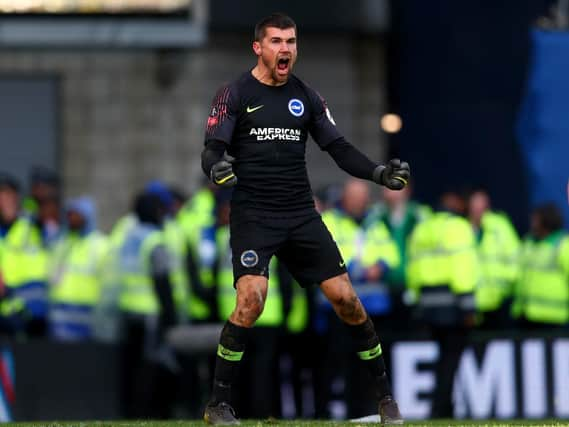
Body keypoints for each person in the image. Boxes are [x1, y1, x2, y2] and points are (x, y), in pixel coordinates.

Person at [200, 13, 409, 425]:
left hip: (300, 213)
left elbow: (339, 147)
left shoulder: (307, 97)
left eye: (291, 42)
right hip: (255, 215)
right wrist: (217, 168)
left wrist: (378, 173)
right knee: (251, 302)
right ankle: (218, 405)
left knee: (347, 301)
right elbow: (211, 150)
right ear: (258, 47)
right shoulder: (235, 93)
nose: (286, 49)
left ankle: (385, 400)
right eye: (276, 41)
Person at [406, 191, 479, 418]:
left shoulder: (422, 229)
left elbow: (413, 271)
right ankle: (442, 410)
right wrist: (468, 307)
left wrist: (418, 303)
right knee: (450, 360)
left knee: (443, 359)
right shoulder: (458, 227)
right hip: (453, 307)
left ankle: (443, 407)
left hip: (428, 305)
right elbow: (463, 270)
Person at [47, 196, 108, 341]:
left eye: (76, 215)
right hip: (60, 317)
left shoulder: (100, 245)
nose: (71, 218)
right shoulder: (62, 243)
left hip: (87, 316)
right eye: (70, 214)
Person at [466, 188, 520, 329]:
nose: (479, 207)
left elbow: (515, 258)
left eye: (483, 203)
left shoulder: (500, 225)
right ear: (469, 204)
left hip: (499, 302)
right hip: (471, 303)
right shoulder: (460, 228)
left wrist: (507, 288)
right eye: (476, 202)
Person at [511, 203, 569, 329]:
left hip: (553, 319)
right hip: (524, 315)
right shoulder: (528, 242)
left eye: (535, 220)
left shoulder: (564, 245)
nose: (532, 224)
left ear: (546, 222)